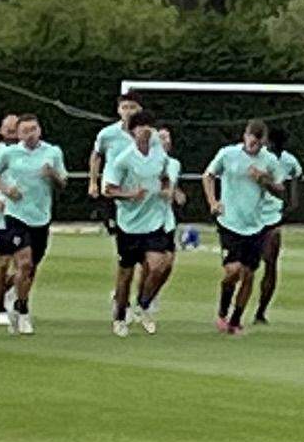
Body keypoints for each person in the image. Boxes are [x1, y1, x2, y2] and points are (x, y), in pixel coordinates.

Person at [202, 118, 290, 335]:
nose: (255, 145)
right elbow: (208, 176)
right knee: (233, 271)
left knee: (249, 274)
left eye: (259, 142)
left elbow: (280, 189)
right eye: (252, 139)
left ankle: (235, 319)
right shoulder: (228, 154)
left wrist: (264, 180)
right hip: (230, 221)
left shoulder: (269, 161)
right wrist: (213, 202)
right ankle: (222, 311)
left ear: (264, 142)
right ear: (245, 136)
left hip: (255, 224)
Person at [0, 110, 64, 334]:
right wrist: (6, 189)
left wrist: (53, 175)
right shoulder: (9, 154)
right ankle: (22, 309)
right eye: (25, 131)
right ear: (18, 133)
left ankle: (17, 296)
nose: (30, 134)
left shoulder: (53, 152)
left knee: (31, 268)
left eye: (34, 130)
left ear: (40, 130)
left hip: (41, 216)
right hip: (16, 215)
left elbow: (63, 184)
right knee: (24, 263)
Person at [108, 113, 182, 333]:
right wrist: (131, 194)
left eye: (148, 126)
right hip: (129, 224)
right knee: (125, 275)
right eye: (141, 127)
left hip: (154, 222)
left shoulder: (160, 155)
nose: (146, 130)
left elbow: (166, 175)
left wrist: (168, 188)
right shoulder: (123, 159)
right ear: (132, 132)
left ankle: (143, 303)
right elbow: (109, 189)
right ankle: (120, 315)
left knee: (160, 265)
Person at [85, 93, 151, 331]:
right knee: (127, 254)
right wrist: (94, 182)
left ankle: (140, 297)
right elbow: (97, 155)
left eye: (133, 107)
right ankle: (121, 297)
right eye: (124, 107)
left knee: (148, 257)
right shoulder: (108, 134)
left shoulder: (146, 134)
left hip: (143, 198)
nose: (128, 111)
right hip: (116, 195)